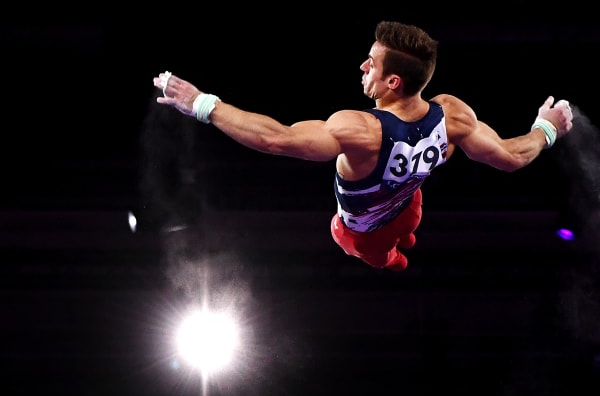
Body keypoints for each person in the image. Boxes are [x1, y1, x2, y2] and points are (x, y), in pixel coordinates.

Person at [153, 21, 573, 271]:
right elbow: (512, 157)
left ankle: (394, 259)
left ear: (393, 81)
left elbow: (276, 139)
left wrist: (202, 103)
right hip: (411, 204)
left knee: (381, 254)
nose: (363, 65)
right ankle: (403, 242)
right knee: (409, 223)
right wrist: (546, 128)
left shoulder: (361, 131)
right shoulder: (453, 116)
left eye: (371, 62)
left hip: (364, 234)